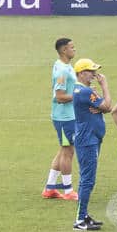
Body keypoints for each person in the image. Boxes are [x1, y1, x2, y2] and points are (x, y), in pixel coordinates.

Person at [68, 58, 114, 231]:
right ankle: (80, 220)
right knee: (88, 180)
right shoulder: (85, 92)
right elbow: (108, 106)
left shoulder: (83, 90)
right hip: (88, 141)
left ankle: (84, 215)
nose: (95, 74)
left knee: (87, 179)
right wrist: (105, 86)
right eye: (90, 71)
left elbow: (101, 106)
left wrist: (98, 103)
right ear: (81, 73)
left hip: (90, 138)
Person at [44, 36, 80, 200]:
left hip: (67, 115)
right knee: (68, 152)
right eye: (72, 47)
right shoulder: (62, 70)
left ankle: (50, 188)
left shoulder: (64, 65)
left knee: (63, 150)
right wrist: (78, 95)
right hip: (64, 117)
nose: (74, 49)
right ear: (64, 50)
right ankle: (68, 190)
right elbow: (59, 96)